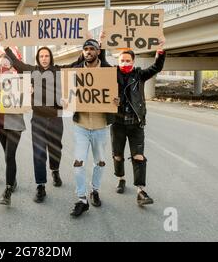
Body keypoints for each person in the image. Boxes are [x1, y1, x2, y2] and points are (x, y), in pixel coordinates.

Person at [3, 46, 83, 203]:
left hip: (55, 118)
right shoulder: (32, 71)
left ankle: (55, 170)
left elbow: (77, 63)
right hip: (38, 119)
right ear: (38, 58)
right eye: (41, 56)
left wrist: (92, 44)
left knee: (55, 148)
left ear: (50, 57)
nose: (44, 58)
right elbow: (16, 62)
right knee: (38, 153)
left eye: (47, 55)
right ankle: (40, 186)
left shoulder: (59, 70)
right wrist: (6, 46)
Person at [109, 42, 166, 206]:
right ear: (118, 62)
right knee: (117, 155)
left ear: (133, 62)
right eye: (122, 61)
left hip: (136, 124)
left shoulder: (139, 74)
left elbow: (156, 67)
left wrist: (160, 52)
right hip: (118, 123)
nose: (125, 63)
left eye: (128, 61)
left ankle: (140, 191)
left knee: (138, 156)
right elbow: (100, 67)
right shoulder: (111, 74)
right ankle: (121, 179)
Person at [69, 39, 118, 217]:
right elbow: (67, 92)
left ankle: (94, 190)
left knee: (100, 162)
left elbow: (115, 93)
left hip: (100, 126)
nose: (88, 52)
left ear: (98, 51)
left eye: (92, 49)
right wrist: (66, 101)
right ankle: (82, 199)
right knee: (78, 162)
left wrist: (115, 101)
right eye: (85, 49)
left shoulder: (108, 72)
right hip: (81, 125)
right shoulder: (75, 71)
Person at [0, 54, 26, 206]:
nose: (3, 65)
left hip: (14, 122)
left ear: (11, 65)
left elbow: (25, 100)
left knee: (10, 155)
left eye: (6, 63)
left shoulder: (19, 79)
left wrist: (27, 91)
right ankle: (13, 180)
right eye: (0, 63)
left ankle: (8, 189)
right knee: (7, 155)